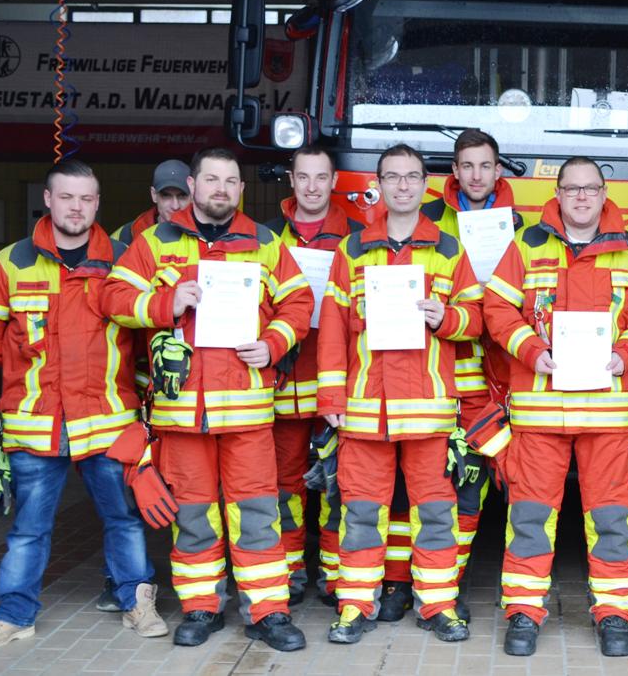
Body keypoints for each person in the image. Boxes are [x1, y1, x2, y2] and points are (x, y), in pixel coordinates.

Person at [102, 147, 315, 651]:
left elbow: (299, 302)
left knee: (259, 517)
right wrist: (164, 303)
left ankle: (268, 613)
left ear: (241, 190)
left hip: (246, 413)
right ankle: (202, 608)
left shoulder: (264, 243)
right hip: (182, 416)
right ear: (192, 186)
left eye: (231, 181)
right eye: (212, 179)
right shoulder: (153, 242)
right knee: (194, 519)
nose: (221, 189)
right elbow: (111, 298)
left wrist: (275, 343)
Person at [0, 159, 166, 650]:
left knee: (123, 518)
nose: (77, 207)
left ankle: (136, 603)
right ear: (49, 200)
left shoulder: (124, 259)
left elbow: (146, 338)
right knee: (29, 529)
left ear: (98, 203)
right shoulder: (11, 262)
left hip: (108, 422)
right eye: (67, 197)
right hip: (37, 422)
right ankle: (14, 616)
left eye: (87, 198)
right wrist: (24, 375)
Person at [483, 156, 628, 658]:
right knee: (528, 517)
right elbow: (497, 309)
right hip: (541, 414)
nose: (582, 198)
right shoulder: (527, 245)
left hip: (607, 417)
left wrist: (625, 351)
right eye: (572, 189)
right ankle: (523, 611)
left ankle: (613, 613)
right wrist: (530, 349)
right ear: (559, 194)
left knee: (612, 518)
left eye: (591, 189)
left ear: (604, 193)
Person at [317, 144, 484, 645]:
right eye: (393, 177)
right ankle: (354, 605)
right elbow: (332, 330)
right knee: (362, 514)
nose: (404, 186)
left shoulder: (450, 248)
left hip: (430, 413)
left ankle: (437, 604)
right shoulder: (353, 249)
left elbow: (476, 318)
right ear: (380, 185)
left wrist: (447, 318)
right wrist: (332, 401)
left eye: (413, 177)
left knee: (436, 514)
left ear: (426, 183)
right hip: (366, 412)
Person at [372, 128, 523, 622]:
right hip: (430, 371)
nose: (477, 175)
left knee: (466, 483)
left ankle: (444, 584)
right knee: (406, 488)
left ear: (498, 171)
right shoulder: (426, 219)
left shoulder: (523, 229)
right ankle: (398, 583)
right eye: (467, 166)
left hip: (492, 373)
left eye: (486, 165)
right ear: (453, 172)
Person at [264, 146, 362, 607]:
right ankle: (288, 571)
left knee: (338, 483)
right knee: (284, 484)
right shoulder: (267, 240)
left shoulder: (358, 238)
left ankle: (335, 574)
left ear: (333, 180)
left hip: (337, 382)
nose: (312, 187)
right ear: (291, 179)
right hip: (285, 379)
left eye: (321, 177)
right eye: (303, 177)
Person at [111, 159, 190, 245]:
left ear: (193, 195)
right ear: (154, 195)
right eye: (166, 196)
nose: (175, 206)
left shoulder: (205, 234)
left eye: (182, 196)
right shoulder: (126, 236)